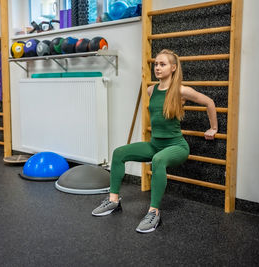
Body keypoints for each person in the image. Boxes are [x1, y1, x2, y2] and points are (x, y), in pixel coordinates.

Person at [91, 49, 218, 233]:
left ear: (173, 68)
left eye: (162, 64)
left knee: (158, 159)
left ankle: (154, 213)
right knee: (119, 153)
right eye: (156, 64)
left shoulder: (182, 91)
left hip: (177, 146)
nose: (157, 67)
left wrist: (213, 128)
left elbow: (209, 102)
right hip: (155, 144)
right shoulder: (151, 90)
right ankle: (113, 200)